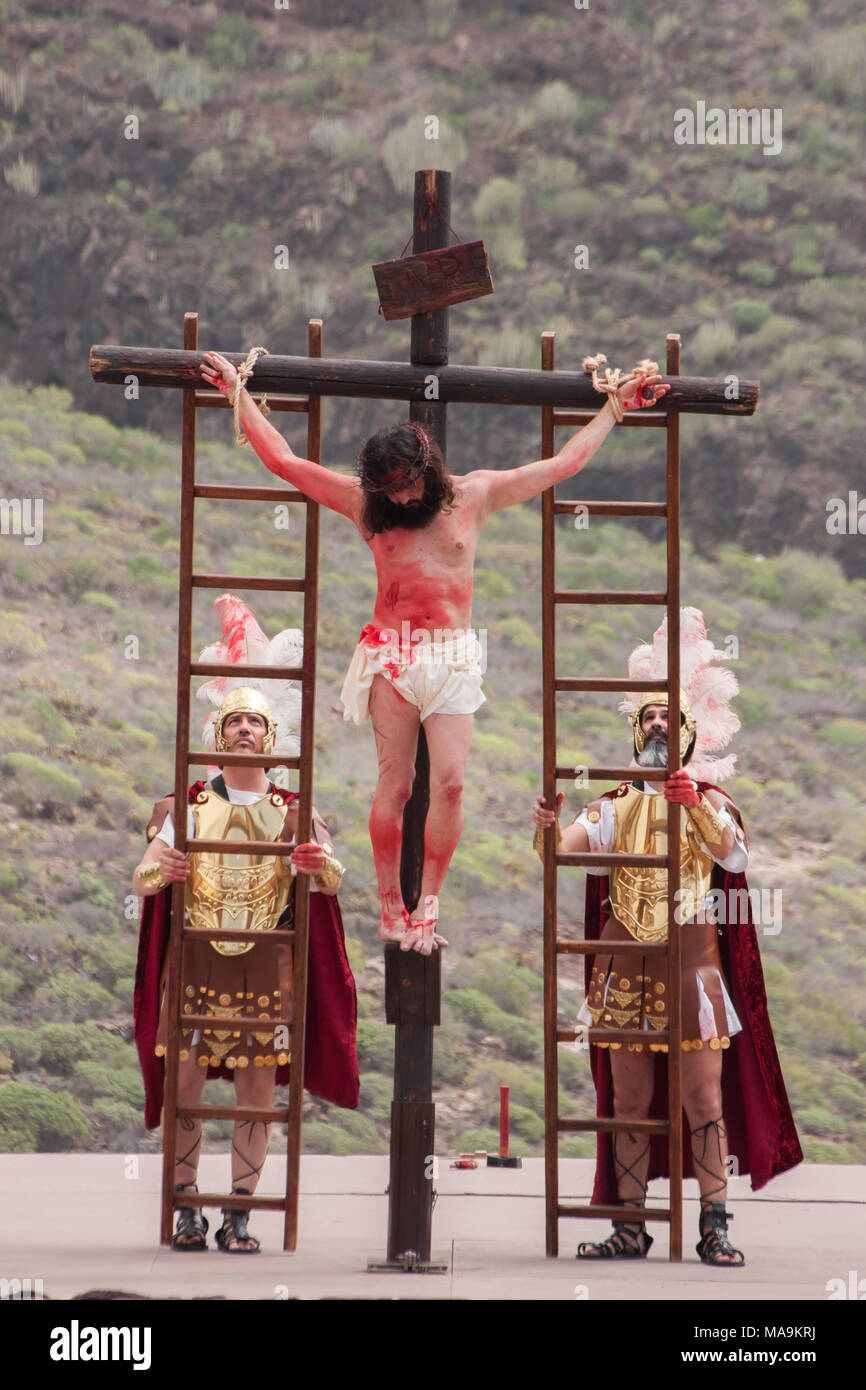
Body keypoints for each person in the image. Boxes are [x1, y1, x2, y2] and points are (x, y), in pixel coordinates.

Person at [199, 349, 670, 954]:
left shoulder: (473, 495)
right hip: (390, 653)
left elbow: (562, 464)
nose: (397, 501)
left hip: (449, 654)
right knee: (394, 786)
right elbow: (285, 461)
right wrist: (237, 391)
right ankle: (391, 906)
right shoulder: (364, 505)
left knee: (449, 786)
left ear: (427, 470)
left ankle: (429, 904)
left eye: (404, 487)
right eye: (387, 491)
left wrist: (615, 407)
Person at [533, 609, 802, 1265]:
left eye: (668, 718)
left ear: (687, 731)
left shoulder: (710, 801)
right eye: (648, 718)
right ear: (636, 730)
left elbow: (735, 856)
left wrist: (692, 807)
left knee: (703, 1095)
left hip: (692, 969)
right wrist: (547, 823)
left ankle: (714, 1222)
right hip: (625, 968)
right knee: (627, 1097)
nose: (656, 725)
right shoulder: (615, 804)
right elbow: (560, 857)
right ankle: (629, 1224)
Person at [132, 686, 358, 1253]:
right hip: (195, 956)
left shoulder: (295, 809)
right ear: (219, 733)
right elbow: (141, 877)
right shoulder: (186, 806)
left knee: (256, 1090)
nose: (245, 730)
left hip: (264, 959)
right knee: (185, 1086)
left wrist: (317, 861)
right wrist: (167, 871)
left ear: (271, 736)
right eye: (235, 721)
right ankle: (187, 1207)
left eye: (255, 722)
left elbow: (332, 877)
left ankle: (239, 1212)